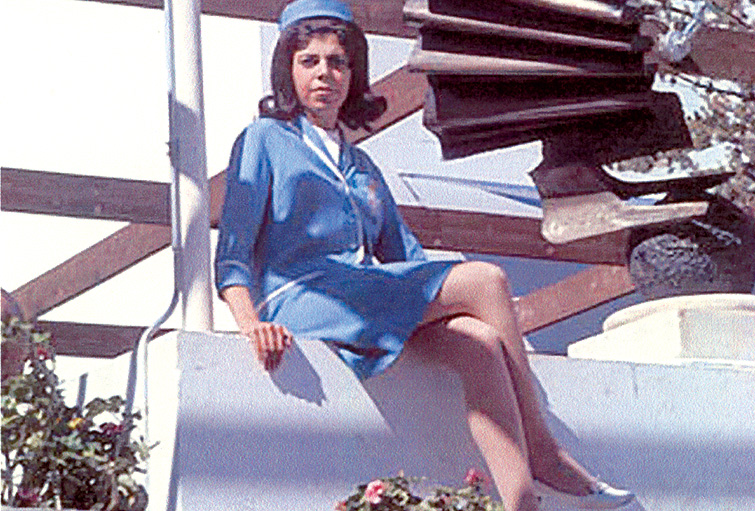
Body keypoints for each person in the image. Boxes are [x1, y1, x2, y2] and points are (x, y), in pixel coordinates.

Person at [214, 0, 635, 509]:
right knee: (485, 280)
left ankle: (522, 501)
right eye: (309, 61)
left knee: (479, 341)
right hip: (303, 295)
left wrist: (473, 311)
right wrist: (248, 322)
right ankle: (544, 449)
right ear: (287, 68)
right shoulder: (264, 139)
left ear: (353, 72)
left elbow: (405, 257)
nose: (324, 74)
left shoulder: (361, 163)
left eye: (337, 62)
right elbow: (233, 250)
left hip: (366, 297)